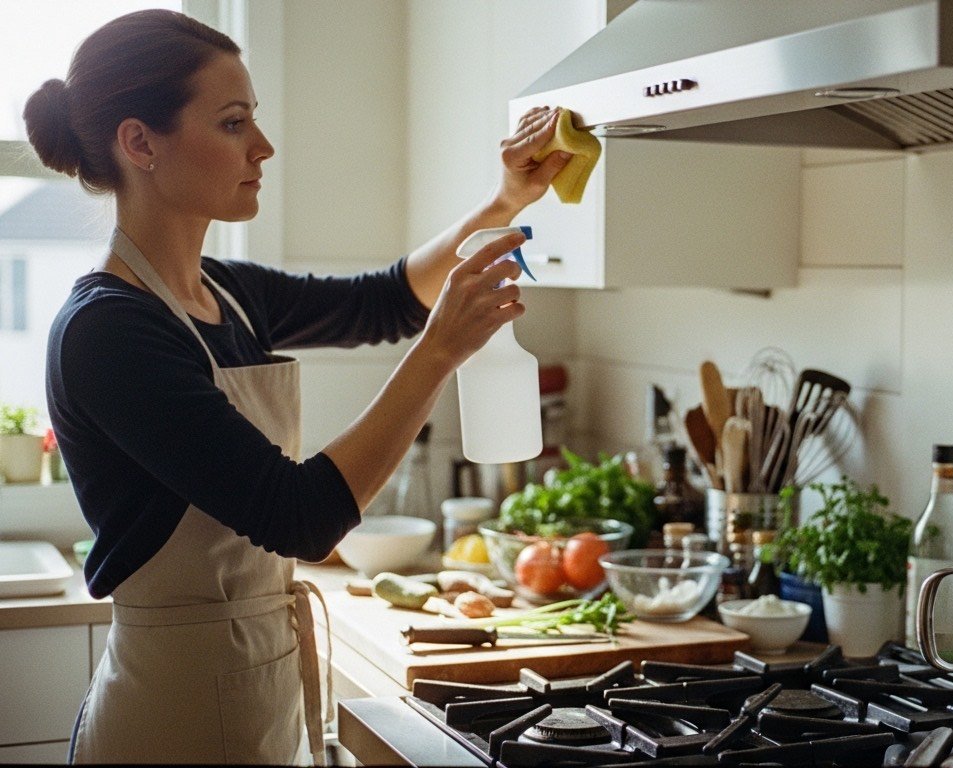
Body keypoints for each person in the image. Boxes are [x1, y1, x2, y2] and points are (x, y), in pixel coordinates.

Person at [24, 9, 573, 765]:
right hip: (170, 719)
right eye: (232, 122)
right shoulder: (108, 331)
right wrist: (439, 351)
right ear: (140, 142)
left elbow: (383, 300)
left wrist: (506, 200)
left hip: (262, 693)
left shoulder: (226, 292)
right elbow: (300, 516)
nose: (263, 146)